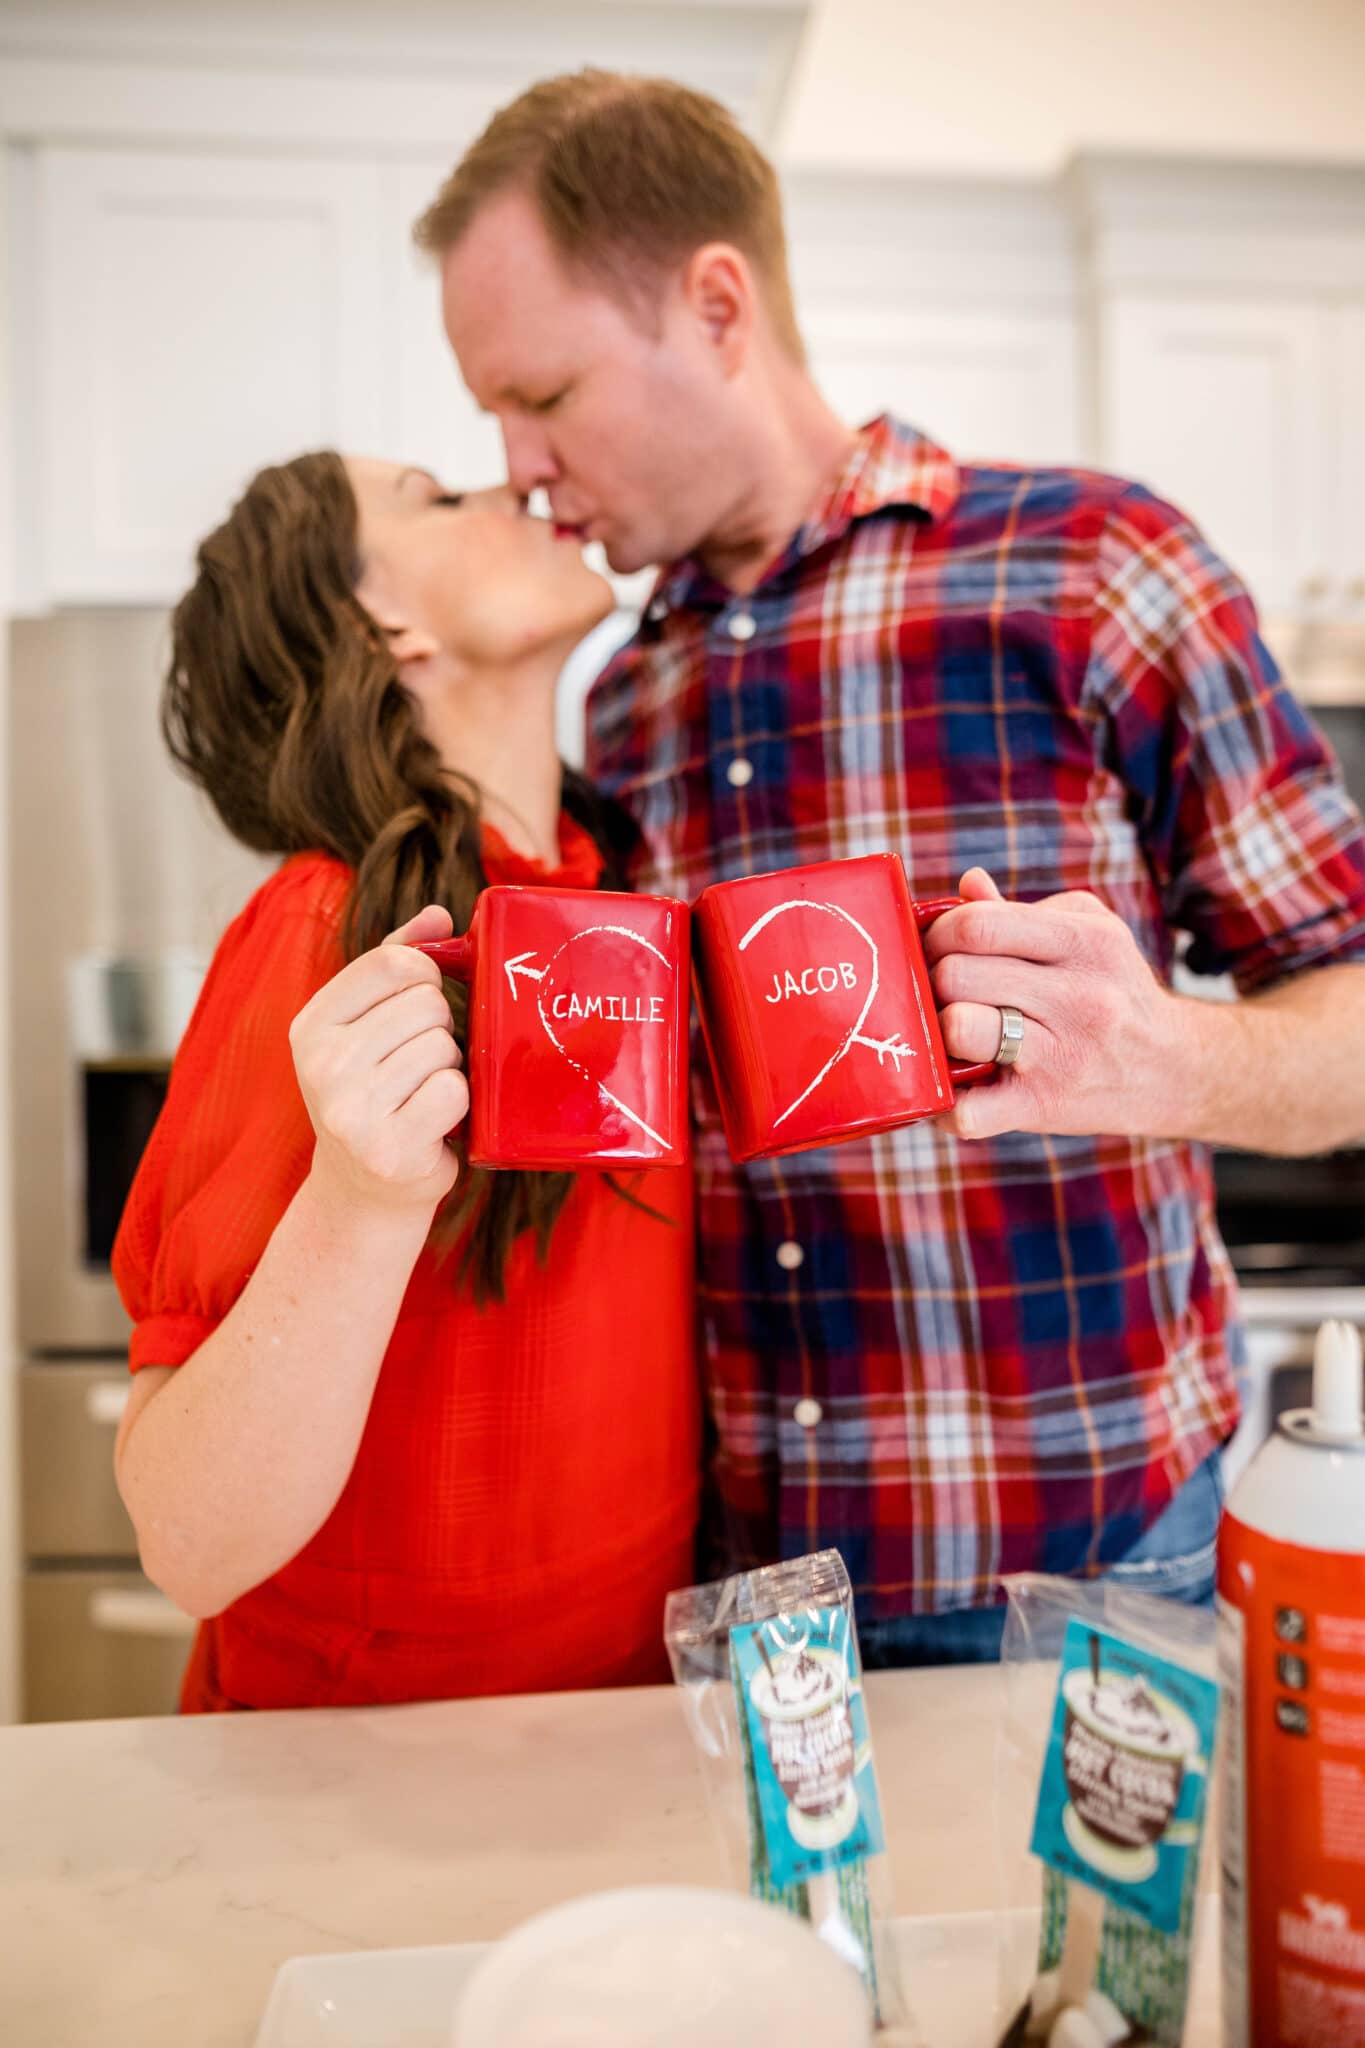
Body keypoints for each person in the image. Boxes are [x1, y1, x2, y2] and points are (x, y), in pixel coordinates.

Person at [413, 71, 1365, 1664]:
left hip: (1095, 1569)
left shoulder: (1092, 570)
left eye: (545, 394)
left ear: (716, 305)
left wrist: (1164, 1052)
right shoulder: (625, 695)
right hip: (743, 1597)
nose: (517, 466)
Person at [112, 454, 699, 1710]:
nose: (514, 489)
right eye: (437, 499)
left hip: (621, 1738)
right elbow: (188, 1539)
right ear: (388, 628)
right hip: (366, 1780)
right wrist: (360, 1200)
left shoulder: (624, 905)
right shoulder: (329, 935)